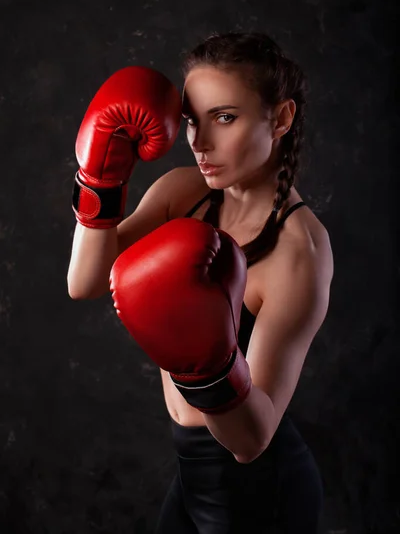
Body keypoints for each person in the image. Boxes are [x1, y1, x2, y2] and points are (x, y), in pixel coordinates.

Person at [67, 32, 334, 533]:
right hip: (191, 474)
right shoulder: (184, 193)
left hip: (259, 490)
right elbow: (83, 282)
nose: (200, 142)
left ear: (281, 119)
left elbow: (250, 440)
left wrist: (208, 362)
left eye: (225, 117)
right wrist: (99, 181)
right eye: (192, 121)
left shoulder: (300, 252)